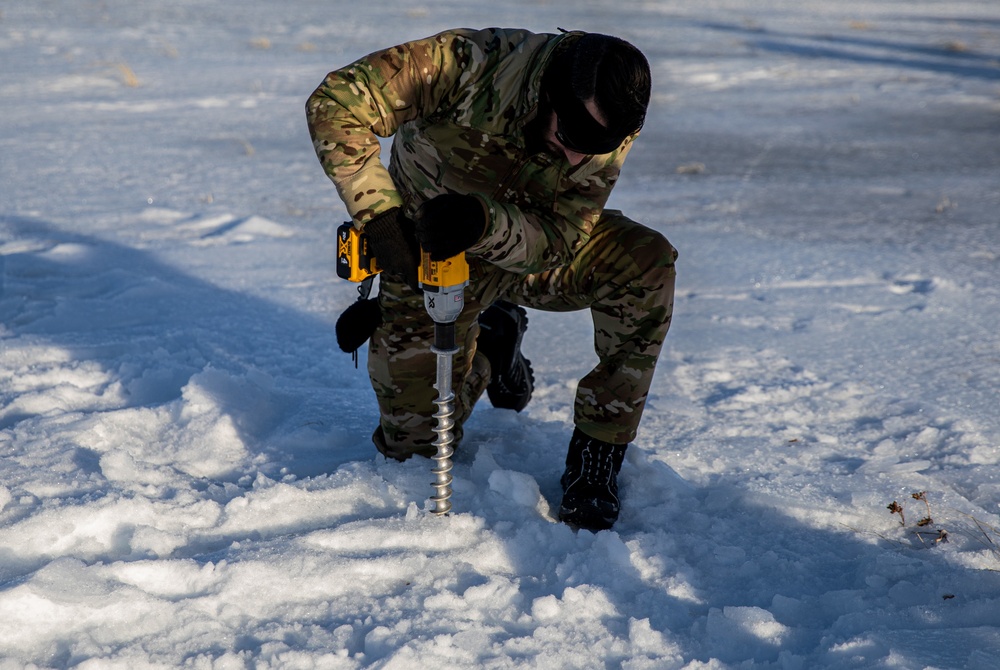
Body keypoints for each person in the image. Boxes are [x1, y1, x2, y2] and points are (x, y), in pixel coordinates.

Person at [306, 27, 677, 531]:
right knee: (415, 451)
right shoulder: (464, 64)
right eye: (569, 138)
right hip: (428, 266)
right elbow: (336, 102)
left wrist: (483, 224)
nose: (574, 158)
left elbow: (565, 231)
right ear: (548, 95)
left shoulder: (607, 115)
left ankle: (596, 458)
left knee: (645, 263)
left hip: (530, 254)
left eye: (592, 148)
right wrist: (382, 218)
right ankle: (492, 348)